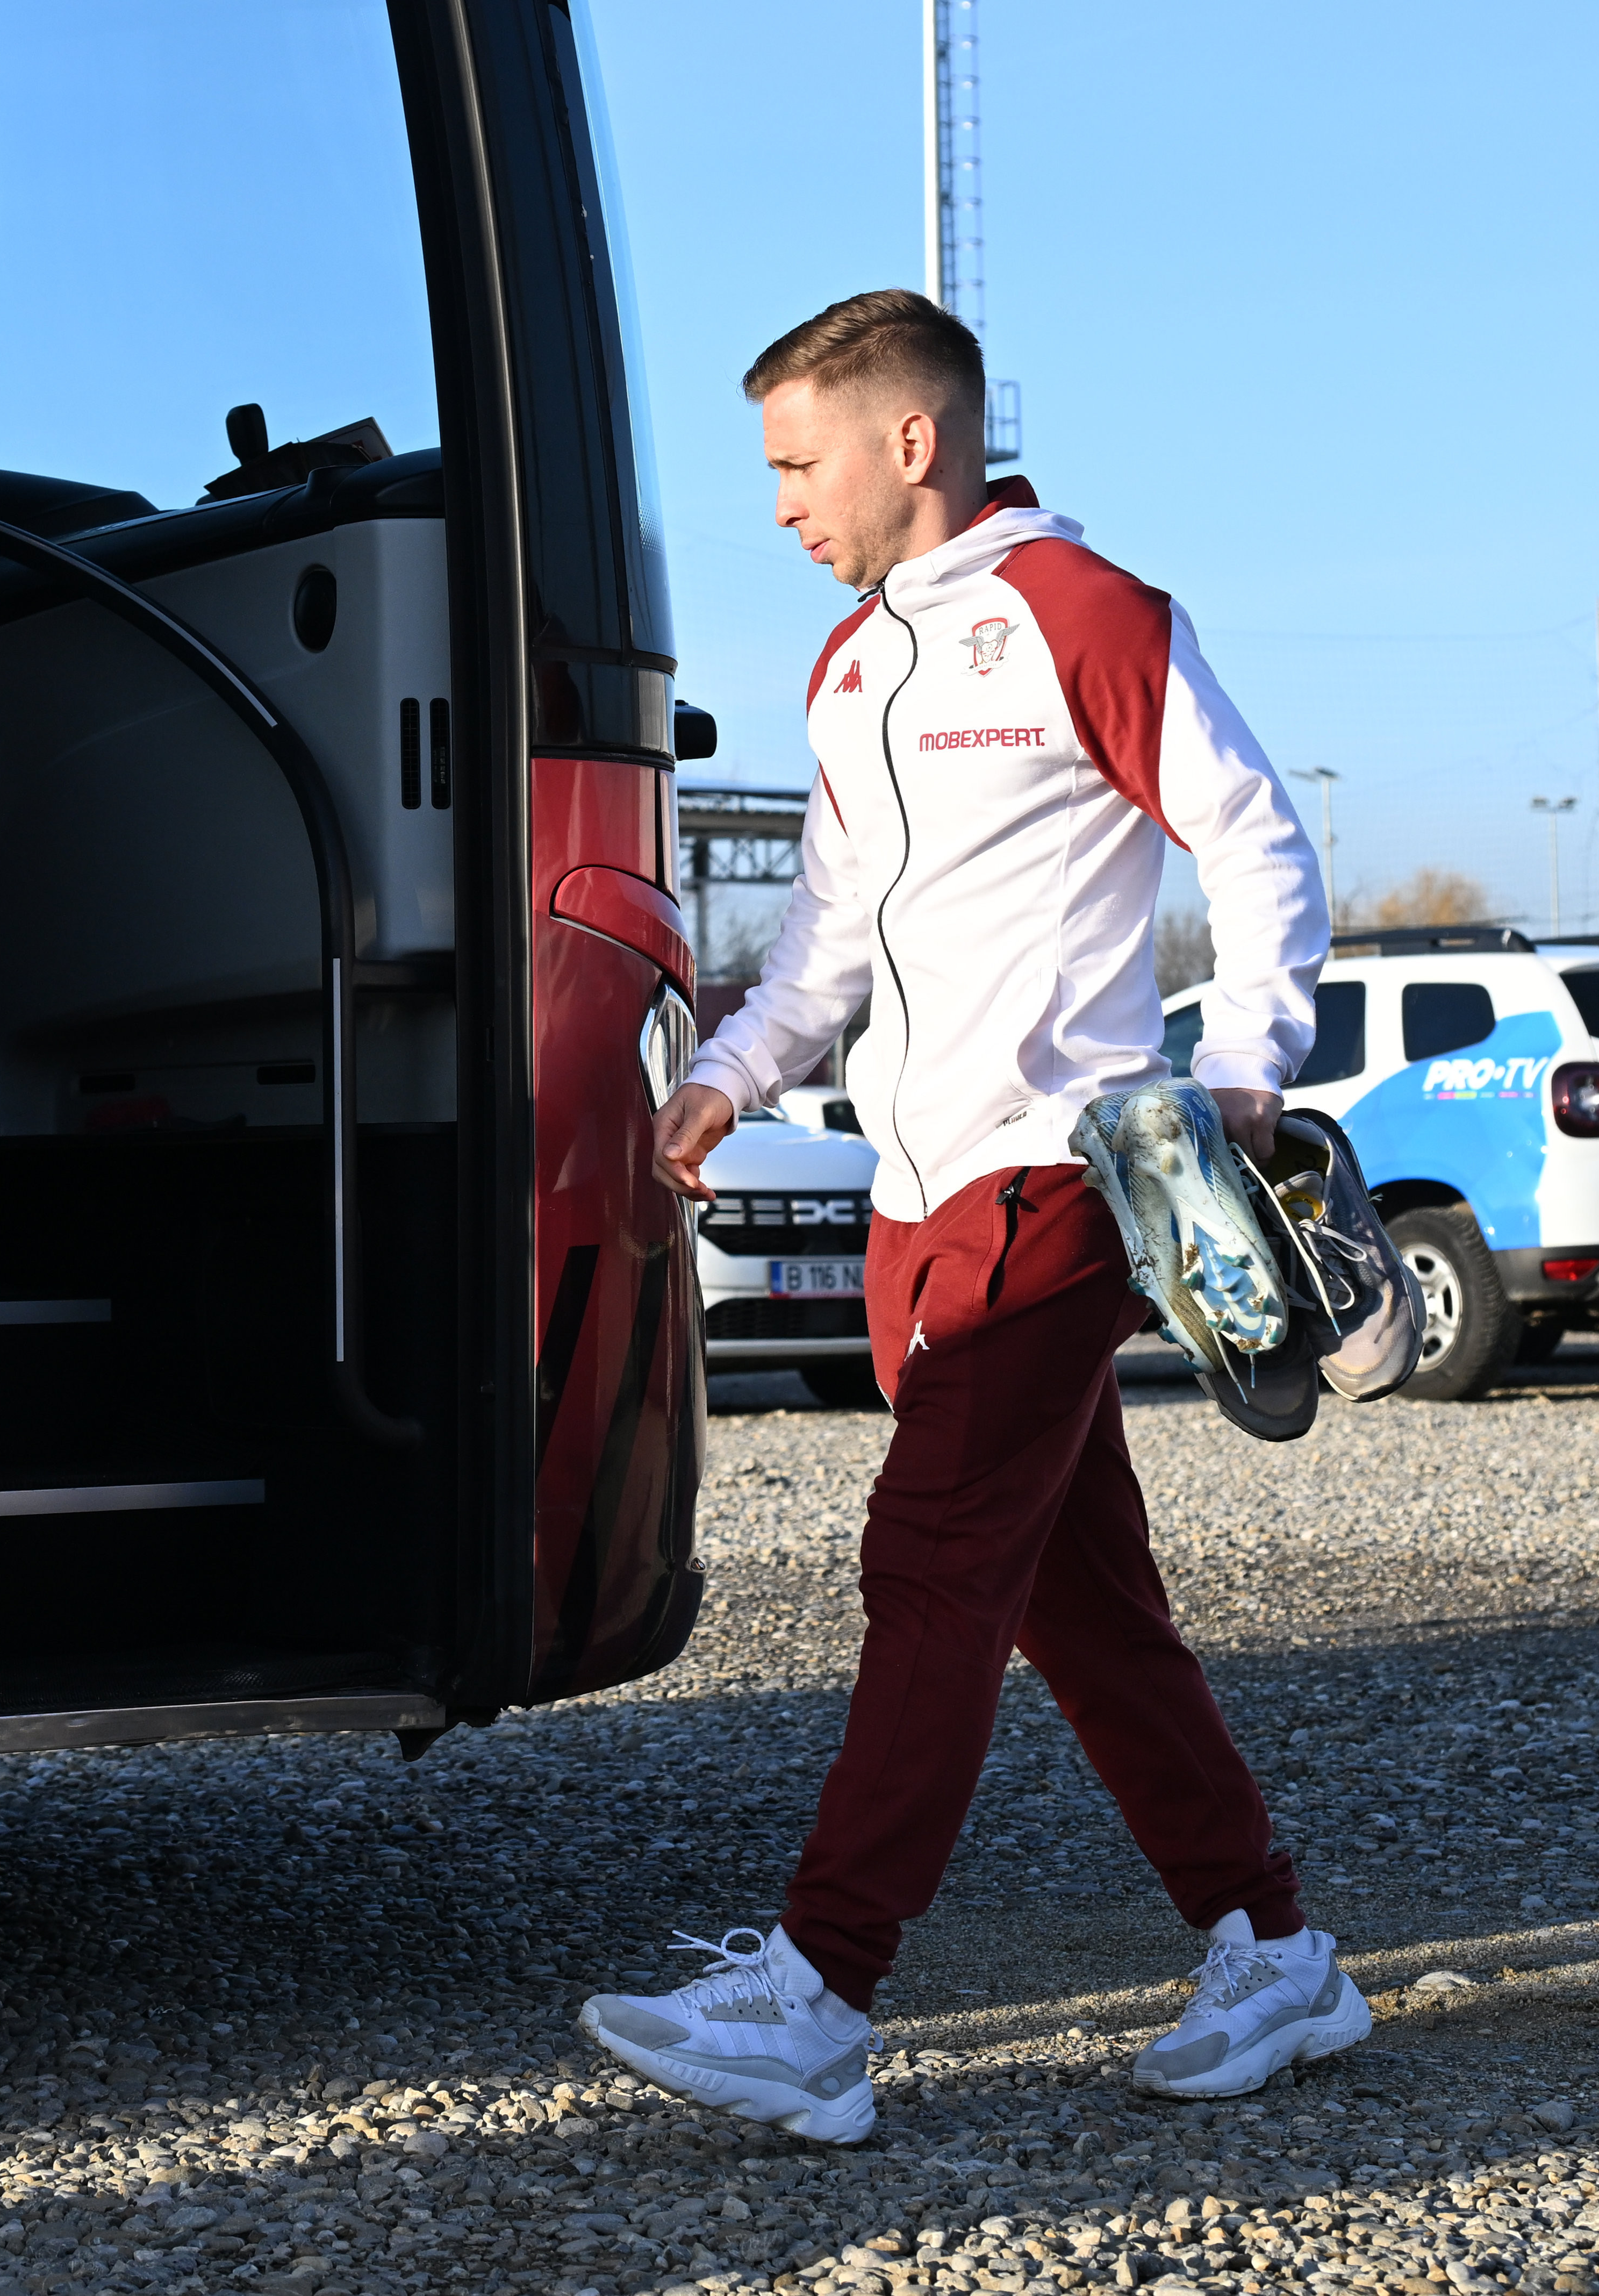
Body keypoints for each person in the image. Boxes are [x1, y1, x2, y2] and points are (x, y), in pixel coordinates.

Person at [576, 289, 1366, 2142]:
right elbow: (830, 936)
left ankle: (819, 1997)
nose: (780, 502)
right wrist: (732, 1075)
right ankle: (1275, 1950)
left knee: (928, 1561)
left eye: (799, 462)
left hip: (1059, 1176)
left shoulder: (1081, 609)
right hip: (910, 1194)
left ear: (910, 441)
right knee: (1081, 1602)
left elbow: (1256, 837)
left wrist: (1246, 1061)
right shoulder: (853, 665)